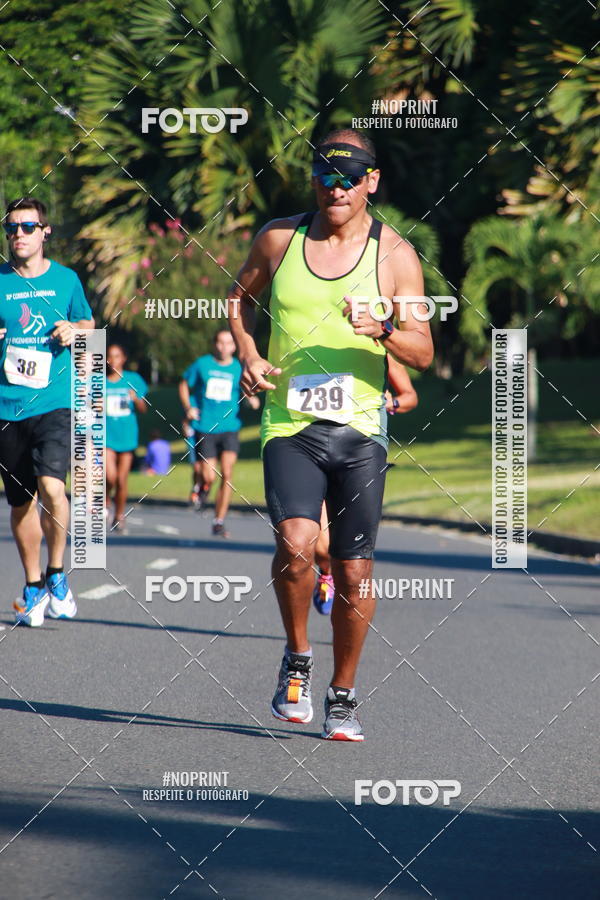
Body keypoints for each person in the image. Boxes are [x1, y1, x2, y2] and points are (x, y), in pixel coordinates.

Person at [229, 129, 433, 741]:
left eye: (349, 179)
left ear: (372, 182)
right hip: (290, 423)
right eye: (325, 176)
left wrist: (383, 330)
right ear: (313, 179)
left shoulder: (395, 256)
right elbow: (237, 301)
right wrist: (248, 353)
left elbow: (423, 351)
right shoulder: (279, 239)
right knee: (296, 544)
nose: (335, 189)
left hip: (361, 429)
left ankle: (342, 695)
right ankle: (297, 658)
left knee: (353, 571)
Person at [0, 196, 94, 626]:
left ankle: (57, 572)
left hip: (55, 402)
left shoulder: (66, 280)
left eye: (27, 227)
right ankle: (33, 582)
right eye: (11, 228)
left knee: (53, 488)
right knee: (21, 504)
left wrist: (75, 329)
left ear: (45, 232)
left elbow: (88, 324)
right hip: (7, 407)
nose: (18, 234)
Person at [313, 358, 418, 614]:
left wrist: (388, 403)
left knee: (352, 554)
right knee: (321, 548)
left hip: (360, 452)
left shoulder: (379, 347)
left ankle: (346, 597)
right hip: (311, 446)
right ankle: (326, 573)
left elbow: (410, 397)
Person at [179, 328, 259, 537]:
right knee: (209, 475)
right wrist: (188, 408)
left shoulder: (238, 367)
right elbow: (184, 384)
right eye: (221, 343)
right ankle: (202, 486)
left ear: (234, 346)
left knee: (228, 474)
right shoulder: (202, 364)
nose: (224, 347)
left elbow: (246, 388)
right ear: (215, 344)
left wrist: (251, 398)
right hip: (206, 427)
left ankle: (219, 521)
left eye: (229, 343)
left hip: (230, 427)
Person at [105, 343, 148, 532]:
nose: (112, 360)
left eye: (117, 356)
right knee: (110, 476)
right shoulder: (98, 380)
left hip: (127, 435)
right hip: (106, 436)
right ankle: (106, 498)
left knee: (122, 480)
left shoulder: (133, 379)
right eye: (109, 356)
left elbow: (144, 409)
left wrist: (136, 399)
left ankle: (119, 515)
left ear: (123, 359)